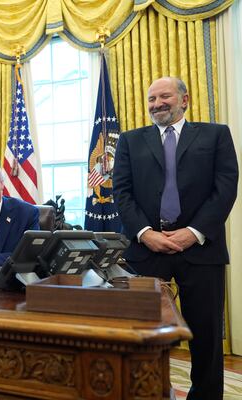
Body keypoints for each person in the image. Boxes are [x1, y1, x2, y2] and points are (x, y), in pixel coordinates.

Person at [113, 77, 238, 400]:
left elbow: (225, 189)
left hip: (201, 249)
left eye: (164, 96)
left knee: (206, 334)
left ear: (185, 99)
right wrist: (146, 234)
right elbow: (122, 194)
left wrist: (193, 233)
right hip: (147, 251)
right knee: (143, 335)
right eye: (151, 99)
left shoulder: (215, 135)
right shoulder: (130, 141)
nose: (156, 104)